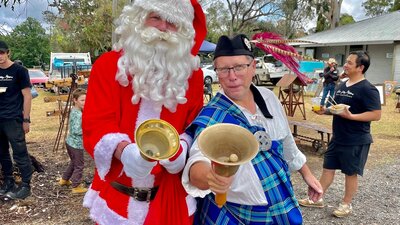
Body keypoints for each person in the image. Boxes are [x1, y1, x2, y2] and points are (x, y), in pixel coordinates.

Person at [81, 0, 206, 224]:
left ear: (184, 29)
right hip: (118, 201)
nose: (162, 28)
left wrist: (182, 149)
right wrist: (124, 151)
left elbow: (195, 124)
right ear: (139, 19)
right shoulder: (108, 66)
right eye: (155, 17)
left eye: (172, 22)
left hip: (171, 200)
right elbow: (96, 122)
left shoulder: (192, 75)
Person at [182, 34, 323, 224]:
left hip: (281, 205)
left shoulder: (269, 98)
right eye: (223, 69)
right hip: (234, 214)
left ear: (253, 67)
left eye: (240, 67)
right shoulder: (212, 114)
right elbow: (197, 162)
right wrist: (210, 177)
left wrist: (307, 173)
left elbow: (286, 141)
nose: (232, 76)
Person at [298, 51, 381, 218]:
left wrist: (352, 117)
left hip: (356, 138)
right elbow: (337, 108)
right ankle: (317, 198)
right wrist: (326, 111)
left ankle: (346, 204)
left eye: (350, 63)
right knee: (328, 168)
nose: (345, 65)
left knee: (350, 172)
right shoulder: (342, 85)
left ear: (361, 67)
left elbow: (376, 114)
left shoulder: (368, 89)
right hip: (338, 137)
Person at [0, 40, 33, 200]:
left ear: (8, 52)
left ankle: (26, 185)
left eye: (2, 53)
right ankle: (9, 181)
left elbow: (27, 96)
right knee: (2, 153)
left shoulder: (19, 71)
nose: (0, 56)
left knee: (19, 152)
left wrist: (26, 119)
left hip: (13, 118)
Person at [58, 88, 87, 194]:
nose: (85, 102)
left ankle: (64, 180)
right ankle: (76, 186)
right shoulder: (78, 114)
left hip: (70, 142)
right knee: (79, 165)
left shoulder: (75, 110)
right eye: (82, 100)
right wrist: (87, 129)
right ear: (75, 100)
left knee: (74, 162)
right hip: (76, 144)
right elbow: (76, 131)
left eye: (86, 100)